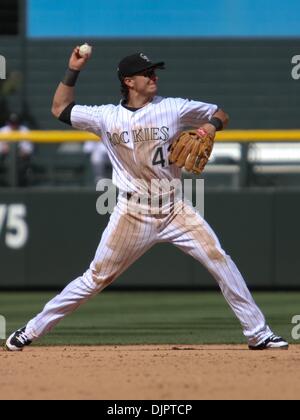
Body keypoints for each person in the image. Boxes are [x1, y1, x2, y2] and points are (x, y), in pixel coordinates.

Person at [5, 47, 288, 351]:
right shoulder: (105, 117)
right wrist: (73, 69)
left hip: (173, 207)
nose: (154, 76)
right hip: (131, 212)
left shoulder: (174, 108)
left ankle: (258, 333)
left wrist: (208, 128)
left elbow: (220, 113)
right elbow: (59, 107)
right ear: (128, 81)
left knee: (220, 260)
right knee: (95, 278)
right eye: (147, 72)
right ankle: (30, 330)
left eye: (154, 71)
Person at [0, 113, 34, 186]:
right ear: (8, 123)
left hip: (20, 161)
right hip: (4, 159)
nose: (13, 125)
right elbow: (2, 149)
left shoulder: (24, 131)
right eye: (12, 123)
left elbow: (28, 150)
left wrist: (13, 150)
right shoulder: (3, 131)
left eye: (15, 123)